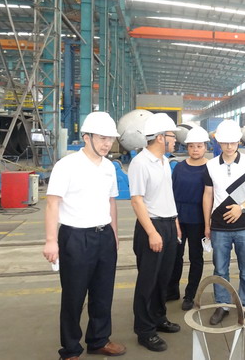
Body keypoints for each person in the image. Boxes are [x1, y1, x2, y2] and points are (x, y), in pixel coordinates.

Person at [43, 111, 126, 359]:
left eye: (110, 139)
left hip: (104, 236)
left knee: (103, 293)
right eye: (102, 138)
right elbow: (52, 203)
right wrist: (51, 241)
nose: (107, 144)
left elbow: (111, 201)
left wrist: (114, 233)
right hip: (75, 238)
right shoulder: (67, 165)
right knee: (74, 296)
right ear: (86, 137)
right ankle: (70, 349)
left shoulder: (109, 167)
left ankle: (99, 340)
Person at [128, 113, 182, 352]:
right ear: (160, 137)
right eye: (172, 136)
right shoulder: (141, 163)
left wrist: (175, 222)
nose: (175, 140)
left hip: (168, 225)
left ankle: (159, 317)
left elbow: (166, 196)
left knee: (164, 278)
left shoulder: (164, 162)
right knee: (148, 281)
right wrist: (152, 232)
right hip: (151, 226)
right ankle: (145, 330)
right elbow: (137, 200)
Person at [203, 119, 245, 328]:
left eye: (233, 142)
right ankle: (222, 304)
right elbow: (208, 195)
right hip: (219, 227)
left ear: (239, 142)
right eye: (225, 143)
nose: (229, 146)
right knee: (220, 269)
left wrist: (241, 207)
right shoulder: (210, 165)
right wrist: (207, 225)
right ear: (219, 143)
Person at [167, 126, 210, 310]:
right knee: (175, 256)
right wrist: (174, 217)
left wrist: (208, 224)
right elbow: (171, 193)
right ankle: (172, 290)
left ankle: (190, 295)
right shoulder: (179, 168)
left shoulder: (210, 168)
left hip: (198, 219)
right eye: (191, 146)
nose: (195, 150)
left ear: (205, 147)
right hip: (178, 217)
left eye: (199, 146)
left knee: (195, 257)